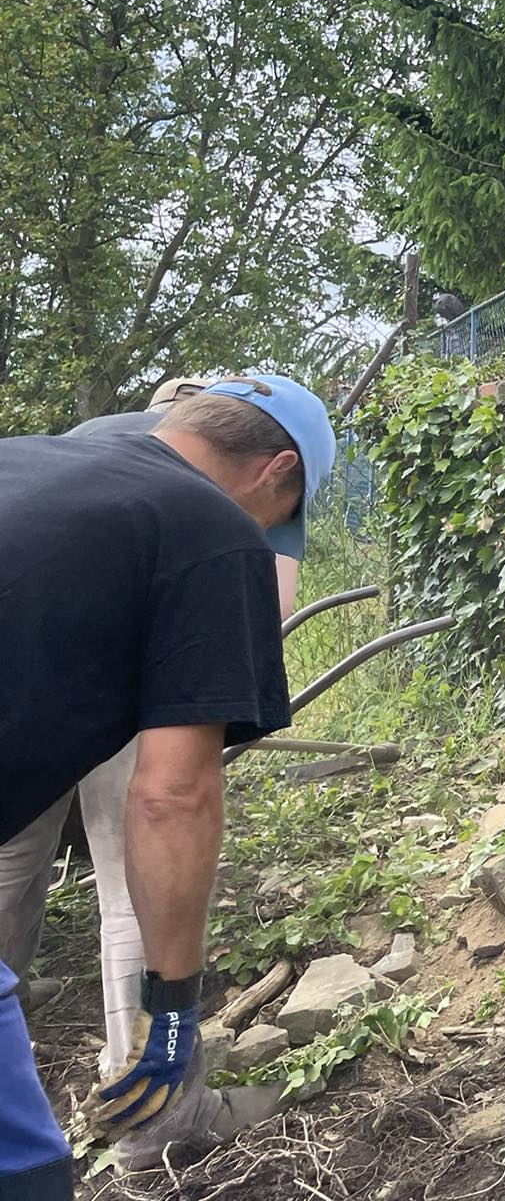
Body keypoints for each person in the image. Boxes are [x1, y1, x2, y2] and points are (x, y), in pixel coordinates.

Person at [0, 377, 330, 1198]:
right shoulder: (213, 532)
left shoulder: (25, 459)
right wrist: (176, 1007)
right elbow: (171, 798)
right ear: (274, 471)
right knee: (30, 1176)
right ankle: (161, 1119)